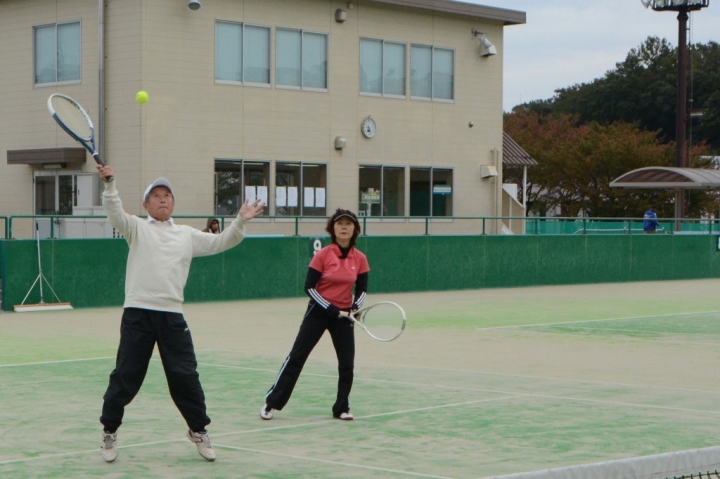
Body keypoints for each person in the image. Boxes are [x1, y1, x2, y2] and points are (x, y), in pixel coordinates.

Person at [96, 164, 264, 463]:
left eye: (167, 195)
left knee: (185, 376)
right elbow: (114, 211)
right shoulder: (135, 228)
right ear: (146, 205)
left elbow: (221, 241)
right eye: (156, 195)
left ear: (173, 204)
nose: (162, 199)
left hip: (172, 316)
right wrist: (109, 184)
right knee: (126, 375)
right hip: (137, 314)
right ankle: (109, 430)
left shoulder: (186, 235)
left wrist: (240, 221)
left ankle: (198, 430)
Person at [260, 209, 369, 421]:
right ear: (333, 228)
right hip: (317, 313)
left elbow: (362, 289)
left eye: (348, 224)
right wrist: (329, 308)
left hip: (344, 317)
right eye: (339, 224)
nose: (344, 227)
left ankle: (342, 408)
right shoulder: (323, 255)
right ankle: (271, 402)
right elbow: (309, 287)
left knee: (347, 364)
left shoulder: (360, 259)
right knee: (297, 357)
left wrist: (355, 307)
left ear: (355, 229)